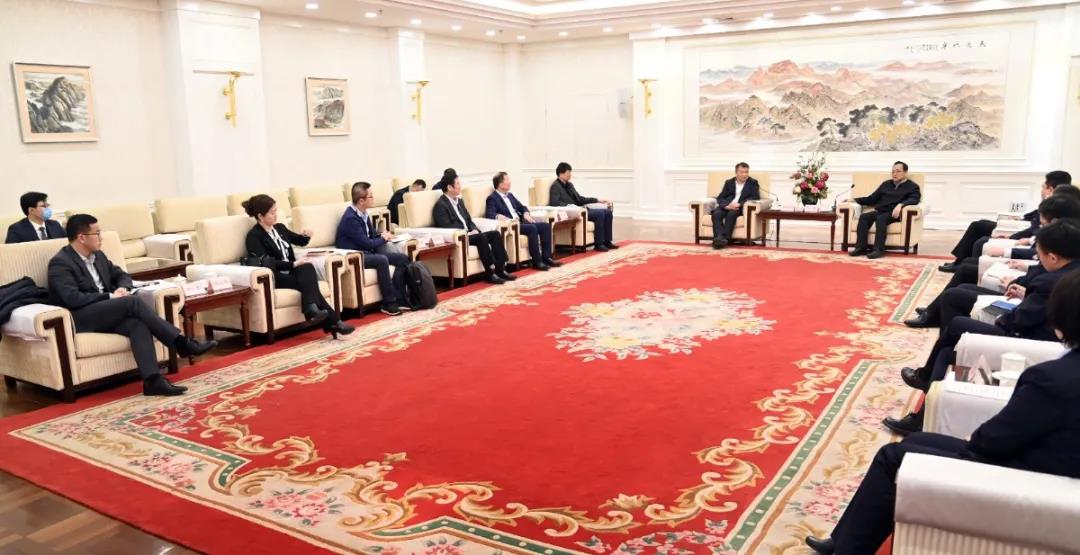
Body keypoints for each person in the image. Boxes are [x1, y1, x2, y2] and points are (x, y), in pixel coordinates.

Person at [805, 269, 1080, 555]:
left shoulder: (1052, 379)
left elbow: (994, 441)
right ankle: (842, 541)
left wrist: (976, 437)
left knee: (893, 456)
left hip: (1029, 478)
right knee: (914, 441)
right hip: (1056, 470)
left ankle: (847, 549)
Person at [886, 218, 1080, 435]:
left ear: (1053, 257)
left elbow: (1018, 321)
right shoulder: (1070, 273)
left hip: (1029, 342)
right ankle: (923, 413)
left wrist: (1001, 317)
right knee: (948, 352)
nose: (1039, 258)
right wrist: (1027, 296)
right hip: (1039, 333)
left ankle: (924, 388)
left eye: (1040, 254)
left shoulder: (1052, 282)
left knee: (958, 325)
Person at [47, 214, 216, 396]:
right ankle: (181, 343)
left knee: (137, 325)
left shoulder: (98, 256)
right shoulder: (61, 263)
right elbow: (71, 298)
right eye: (97, 233)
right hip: (81, 317)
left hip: (106, 312)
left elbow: (122, 275)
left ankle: (152, 381)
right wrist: (110, 296)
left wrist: (122, 288)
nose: (101, 237)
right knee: (132, 302)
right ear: (82, 237)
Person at [905, 194, 1080, 328]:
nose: (1040, 227)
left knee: (956, 294)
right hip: (1021, 292)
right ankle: (934, 313)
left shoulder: (1060, 249)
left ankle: (938, 320)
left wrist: (1016, 282)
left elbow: (1023, 315)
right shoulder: (1062, 248)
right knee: (963, 278)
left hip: (1017, 313)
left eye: (1043, 224)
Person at [242, 194, 355, 338]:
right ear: (260, 216)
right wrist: (293, 264)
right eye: (272, 212)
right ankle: (334, 322)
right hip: (275, 276)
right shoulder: (254, 236)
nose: (276, 215)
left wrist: (306, 235)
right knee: (309, 285)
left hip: (292, 271)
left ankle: (312, 309)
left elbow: (299, 241)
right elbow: (267, 263)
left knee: (307, 267)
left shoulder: (280, 228)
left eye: (276, 211)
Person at [939, 171, 1071, 272]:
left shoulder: (1056, 206)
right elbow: (1034, 217)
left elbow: (1035, 229)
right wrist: (1021, 218)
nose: (1041, 191)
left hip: (1022, 233)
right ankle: (960, 262)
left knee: (979, 229)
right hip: (1022, 228)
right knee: (979, 224)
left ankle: (961, 264)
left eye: (1043, 187)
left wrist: (1011, 236)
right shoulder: (1056, 203)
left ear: (1050, 189)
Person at [336, 182, 409, 315]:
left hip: (367, 252)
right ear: (361, 201)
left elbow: (372, 234)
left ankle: (400, 298)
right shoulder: (351, 219)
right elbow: (367, 244)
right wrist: (383, 238)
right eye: (370, 196)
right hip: (355, 256)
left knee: (402, 259)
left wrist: (384, 235)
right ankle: (388, 302)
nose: (373, 198)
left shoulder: (363, 213)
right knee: (381, 260)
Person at [433, 175, 516, 284]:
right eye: (458, 184)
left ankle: (500, 269)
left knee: (495, 234)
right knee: (481, 237)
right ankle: (489, 273)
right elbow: (446, 226)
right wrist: (467, 232)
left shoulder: (459, 201)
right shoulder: (441, 205)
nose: (460, 186)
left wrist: (474, 229)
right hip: (461, 237)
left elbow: (469, 219)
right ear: (449, 187)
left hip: (470, 233)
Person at [485, 171, 562, 271]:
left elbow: (522, 207)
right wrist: (498, 216)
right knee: (532, 228)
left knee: (545, 226)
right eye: (507, 180)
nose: (510, 182)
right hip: (512, 225)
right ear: (500, 184)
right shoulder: (492, 198)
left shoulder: (510, 195)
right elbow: (490, 214)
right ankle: (537, 261)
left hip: (521, 222)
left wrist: (526, 213)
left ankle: (547, 258)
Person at [849, 161, 921, 259]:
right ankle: (861, 247)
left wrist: (901, 205)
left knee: (881, 219)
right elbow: (872, 199)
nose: (895, 174)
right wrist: (854, 200)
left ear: (905, 172)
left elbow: (914, 199)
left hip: (894, 213)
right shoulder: (886, 184)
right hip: (880, 211)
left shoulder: (912, 186)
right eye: (893, 171)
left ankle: (879, 250)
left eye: (898, 171)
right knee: (864, 217)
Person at [549, 162, 618, 252]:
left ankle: (607, 241)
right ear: (561, 173)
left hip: (581, 209)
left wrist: (597, 200)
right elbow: (554, 203)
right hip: (574, 212)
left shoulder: (569, 185)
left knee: (607, 212)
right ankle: (599, 244)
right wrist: (571, 206)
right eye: (568, 172)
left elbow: (580, 199)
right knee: (600, 214)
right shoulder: (555, 186)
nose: (570, 175)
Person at [710, 162, 761, 249]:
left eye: (746, 172)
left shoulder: (753, 182)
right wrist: (726, 205)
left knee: (731, 214)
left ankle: (724, 239)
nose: (744, 174)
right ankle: (719, 238)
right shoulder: (729, 182)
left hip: (739, 208)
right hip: (727, 206)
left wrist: (740, 204)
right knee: (716, 214)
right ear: (736, 172)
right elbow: (720, 197)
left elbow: (755, 197)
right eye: (742, 172)